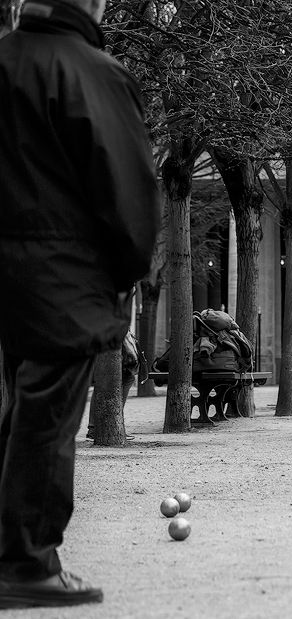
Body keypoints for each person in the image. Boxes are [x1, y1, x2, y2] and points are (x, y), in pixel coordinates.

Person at [0, 0, 161, 608]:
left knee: (24, 406)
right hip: (66, 273)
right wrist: (125, 273)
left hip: (12, 267)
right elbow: (128, 188)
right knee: (47, 413)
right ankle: (26, 561)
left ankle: (14, 551)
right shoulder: (92, 72)